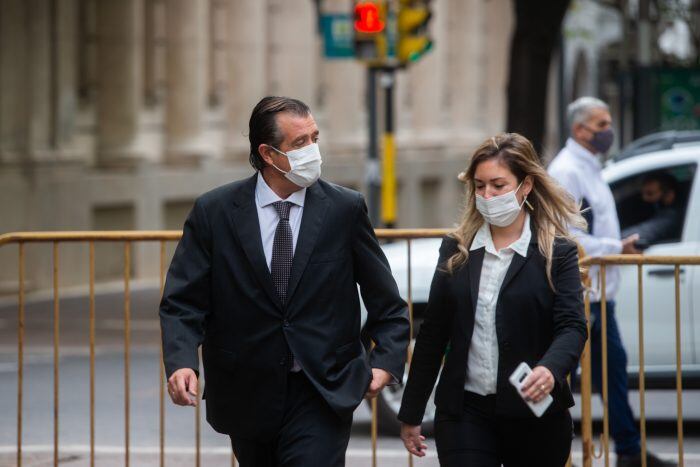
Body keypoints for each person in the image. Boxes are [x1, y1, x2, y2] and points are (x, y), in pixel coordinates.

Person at [159, 96, 410, 467]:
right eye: (299, 143)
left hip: (323, 389)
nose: (313, 150)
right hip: (246, 390)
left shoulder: (344, 209)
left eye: (315, 137)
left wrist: (385, 361)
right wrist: (181, 362)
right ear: (268, 153)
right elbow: (183, 301)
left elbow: (386, 300)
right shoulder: (215, 213)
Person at [398, 133, 588, 466]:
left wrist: (550, 368)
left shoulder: (556, 252)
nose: (487, 195)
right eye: (480, 185)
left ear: (525, 185)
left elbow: (572, 325)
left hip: (534, 412)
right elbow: (432, 333)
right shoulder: (457, 249)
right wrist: (411, 412)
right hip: (464, 412)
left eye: (498, 185)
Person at [548, 97, 675, 467]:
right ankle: (556, 454)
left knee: (611, 374)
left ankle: (629, 451)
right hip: (581, 293)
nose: (609, 130)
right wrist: (616, 247)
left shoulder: (590, 166)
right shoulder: (567, 171)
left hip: (600, 293)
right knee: (564, 380)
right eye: (601, 124)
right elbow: (566, 236)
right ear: (580, 130)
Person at [621, 171, 683, 247]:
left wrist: (613, 239)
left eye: (650, 194)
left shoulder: (672, 216)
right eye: (642, 193)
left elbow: (646, 231)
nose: (644, 198)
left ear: (669, 195)